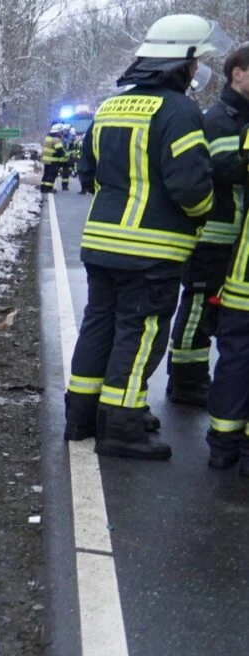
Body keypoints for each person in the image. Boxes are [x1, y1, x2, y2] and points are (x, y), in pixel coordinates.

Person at [66, 14, 229, 460]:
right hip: (153, 251)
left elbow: (88, 171)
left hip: (101, 244)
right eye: (195, 63)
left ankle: (82, 416)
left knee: (99, 326)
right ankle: (122, 426)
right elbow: (191, 187)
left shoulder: (110, 106)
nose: (197, 71)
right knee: (139, 335)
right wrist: (203, 216)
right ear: (181, 64)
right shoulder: (179, 111)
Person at [167, 46, 249, 407]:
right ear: (237, 73)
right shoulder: (219, 118)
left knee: (217, 309)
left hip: (236, 238)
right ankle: (185, 380)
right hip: (213, 233)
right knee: (198, 305)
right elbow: (226, 167)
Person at [41, 123, 67, 194]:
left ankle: (43, 188)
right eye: (61, 131)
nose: (62, 133)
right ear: (58, 131)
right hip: (53, 161)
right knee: (52, 175)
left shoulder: (47, 138)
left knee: (46, 174)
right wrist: (65, 155)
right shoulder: (56, 140)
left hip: (46, 160)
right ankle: (49, 188)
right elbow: (60, 151)